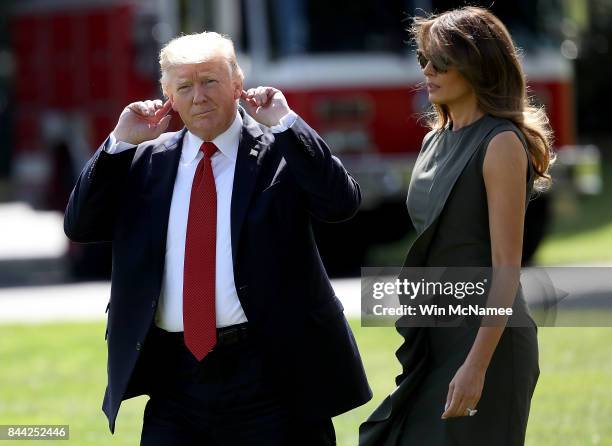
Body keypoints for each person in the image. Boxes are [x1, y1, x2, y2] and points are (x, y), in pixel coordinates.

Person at [64, 31, 371, 445]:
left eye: (210, 81)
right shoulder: (145, 162)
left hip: (270, 375)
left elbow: (341, 204)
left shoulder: (280, 151)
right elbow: (80, 225)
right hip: (176, 382)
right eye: (184, 87)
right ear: (168, 96)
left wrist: (287, 123)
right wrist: (118, 143)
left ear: (237, 85)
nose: (198, 97)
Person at [360, 6, 553, 445]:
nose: (426, 70)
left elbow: (506, 269)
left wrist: (476, 366)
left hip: (488, 344)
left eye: (440, 62)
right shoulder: (434, 139)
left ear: (476, 66)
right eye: (423, 59)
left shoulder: (501, 143)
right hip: (438, 336)